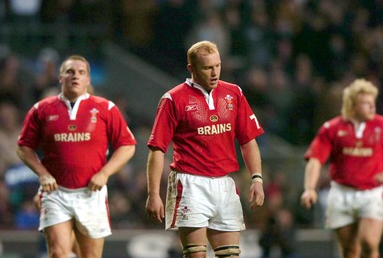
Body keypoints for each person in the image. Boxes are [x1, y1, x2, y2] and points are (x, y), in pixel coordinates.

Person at [145, 41, 265, 258]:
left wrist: (257, 178)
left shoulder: (234, 93)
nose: (214, 72)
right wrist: (153, 194)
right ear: (191, 68)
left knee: (230, 255)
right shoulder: (173, 99)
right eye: (207, 67)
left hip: (225, 184)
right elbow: (157, 150)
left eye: (217, 66)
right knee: (196, 255)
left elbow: (248, 141)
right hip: (190, 184)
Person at [17, 55, 136, 257]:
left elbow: (127, 145)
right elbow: (23, 147)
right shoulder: (42, 109)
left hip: (91, 193)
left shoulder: (106, 108)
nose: (75, 76)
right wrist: (42, 173)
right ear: (60, 77)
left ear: (88, 80)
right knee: (58, 253)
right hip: (56, 192)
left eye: (81, 72)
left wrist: (105, 173)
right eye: (70, 71)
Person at [301, 79, 383, 258]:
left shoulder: (381, 126)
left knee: (369, 242)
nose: (372, 107)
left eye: (373, 102)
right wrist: (309, 189)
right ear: (353, 105)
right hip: (341, 193)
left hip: (372, 193)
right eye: (366, 103)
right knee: (350, 250)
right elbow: (315, 159)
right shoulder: (332, 128)